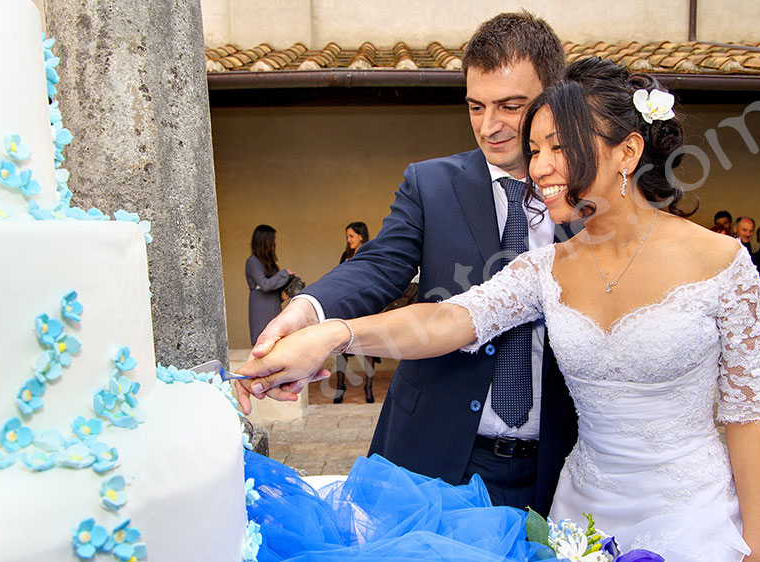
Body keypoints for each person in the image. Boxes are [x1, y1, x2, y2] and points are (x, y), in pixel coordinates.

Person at [236, 58, 760, 562]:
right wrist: (335, 335)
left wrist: (758, 555)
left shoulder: (723, 263)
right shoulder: (545, 268)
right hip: (583, 519)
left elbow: (750, 417)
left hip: (696, 520)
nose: (540, 167)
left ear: (628, 151)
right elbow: (448, 319)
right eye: (536, 150)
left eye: (561, 147)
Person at [244, 11, 575, 515]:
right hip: (432, 457)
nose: (491, 127)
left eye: (511, 105)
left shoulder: (589, 199)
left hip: (559, 466)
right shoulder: (430, 184)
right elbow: (378, 265)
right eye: (476, 106)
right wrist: (311, 311)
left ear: (553, 98)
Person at [334, 221, 377, 403]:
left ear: (361, 236)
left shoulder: (371, 252)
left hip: (365, 305)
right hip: (348, 305)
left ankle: (368, 387)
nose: (349, 239)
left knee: (369, 348)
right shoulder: (346, 254)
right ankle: (339, 387)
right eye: (347, 237)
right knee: (342, 347)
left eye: (351, 236)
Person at [245, 224, 295, 345]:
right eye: (273, 238)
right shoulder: (253, 262)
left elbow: (271, 288)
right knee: (263, 342)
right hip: (260, 310)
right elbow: (265, 285)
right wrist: (284, 273)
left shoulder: (269, 262)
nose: (275, 241)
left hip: (273, 309)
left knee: (276, 342)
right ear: (264, 240)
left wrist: (282, 296)